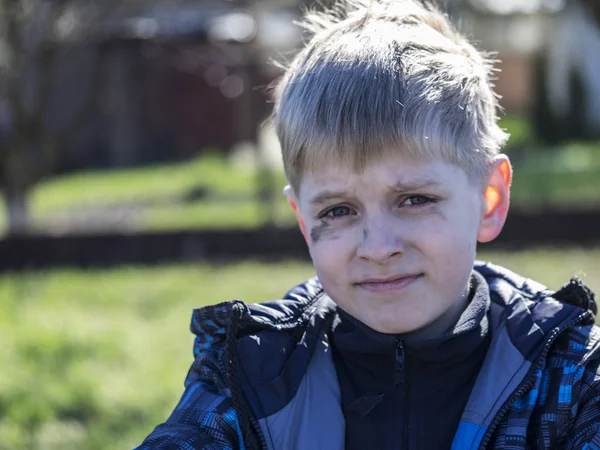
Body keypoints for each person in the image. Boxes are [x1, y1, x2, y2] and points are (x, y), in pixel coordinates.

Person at [137, 1, 600, 448]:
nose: (377, 247)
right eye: (338, 211)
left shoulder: (567, 370)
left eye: (415, 199)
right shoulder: (255, 371)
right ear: (303, 221)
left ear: (490, 198)